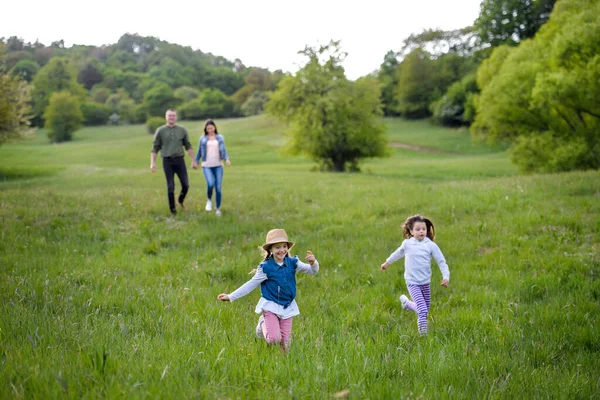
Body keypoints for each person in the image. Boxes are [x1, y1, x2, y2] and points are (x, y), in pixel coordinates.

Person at [217, 229, 319, 350]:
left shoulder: (293, 263)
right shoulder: (266, 268)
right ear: (270, 249)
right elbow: (251, 284)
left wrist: (313, 262)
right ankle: (262, 324)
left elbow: (313, 271)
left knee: (286, 343)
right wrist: (230, 296)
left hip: (288, 305)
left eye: (284, 246)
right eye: (277, 247)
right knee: (274, 339)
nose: (281, 250)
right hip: (270, 305)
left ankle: (283, 365)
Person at [380, 215, 450, 336]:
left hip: (425, 283)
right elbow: (398, 253)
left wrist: (446, 277)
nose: (421, 231)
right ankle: (423, 336)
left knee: (424, 311)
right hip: (412, 282)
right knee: (422, 310)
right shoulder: (407, 244)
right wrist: (387, 262)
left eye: (423, 229)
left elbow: (441, 262)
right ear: (411, 231)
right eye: (418, 229)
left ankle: (407, 304)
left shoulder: (431, 245)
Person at [150, 109, 198, 216]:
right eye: (169, 116)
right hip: (167, 161)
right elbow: (155, 148)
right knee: (170, 187)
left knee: (186, 185)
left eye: (173, 116)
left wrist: (193, 160)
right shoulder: (160, 131)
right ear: (166, 117)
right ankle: (173, 211)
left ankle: (180, 201)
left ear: (176, 117)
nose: (171, 117)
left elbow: (188, 146)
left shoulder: (182, 130)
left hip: (180, 160)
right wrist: (152, 163)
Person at [194, 120, 231, 216]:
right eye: (208, 128)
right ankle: (209, 200)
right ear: (206, 129)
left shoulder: (220, 138)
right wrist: (196, 161)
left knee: (218, 188)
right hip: (206, 165)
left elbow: (224, 150)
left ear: (215, 127)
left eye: (211, 128)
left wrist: (226, 159)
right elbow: (199, 151)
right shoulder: (203, 139)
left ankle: (218, 208)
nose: (210, 130)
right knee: (210, 184)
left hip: (218, 165)